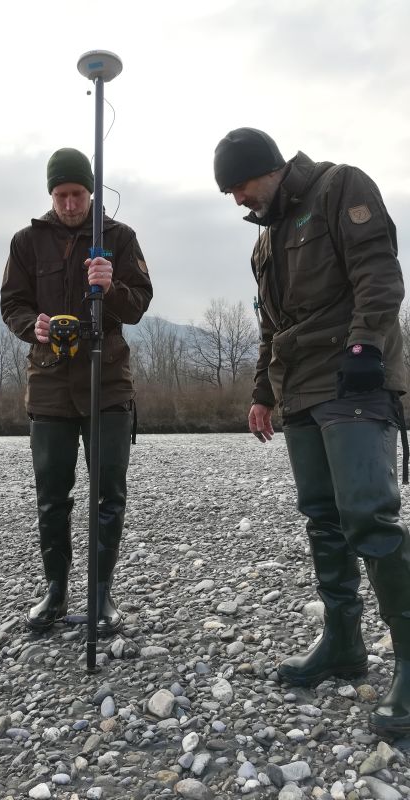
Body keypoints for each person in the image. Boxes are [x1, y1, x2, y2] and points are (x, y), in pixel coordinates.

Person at [213, 127, 410, 738]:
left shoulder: (339, 187)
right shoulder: (265, 243)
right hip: (298, 390)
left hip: (352, 380)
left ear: (266, 169)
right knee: (322, 518)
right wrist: (261, 394)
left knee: (368, 517)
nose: (238, 201)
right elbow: (271, 326)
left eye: (240, 186)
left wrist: (364, 346)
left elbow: (379, 273)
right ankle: (344, 644)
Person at [0, 147, 152, 635]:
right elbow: (11, 304)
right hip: (48, 386)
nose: (70, 204)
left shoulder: (119, 239)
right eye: (62, 194)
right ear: (51, 194)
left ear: (92, 192)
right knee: (52, 496)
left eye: (78, 194)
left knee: (109, 495)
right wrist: (34, 326)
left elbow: (139, 306)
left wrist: (111, 288)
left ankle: (101, 595)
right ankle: (56, 592)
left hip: (106, 383)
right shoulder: (26, 242)